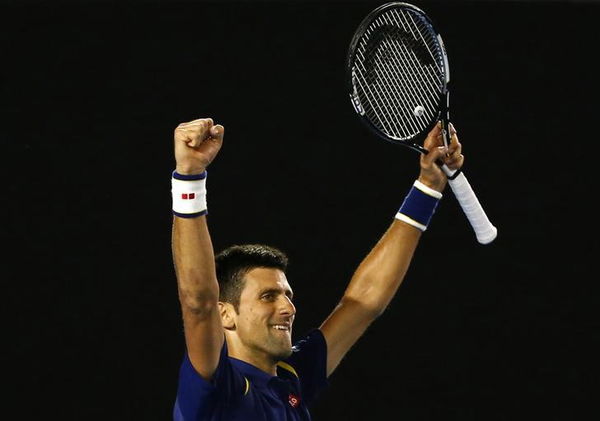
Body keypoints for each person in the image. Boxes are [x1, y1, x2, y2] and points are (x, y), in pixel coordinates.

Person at [170, 117, 464, 421]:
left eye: (287, 294)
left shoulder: (289, 379)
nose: (288, 307)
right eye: (268, 296)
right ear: (225, 314)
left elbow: (362, 303)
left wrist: (428, 186)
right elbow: (198, 302)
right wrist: (189, 178)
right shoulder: (217, 391)